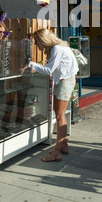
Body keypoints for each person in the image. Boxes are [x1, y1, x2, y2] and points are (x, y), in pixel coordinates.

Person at [21, 29, 78, 162]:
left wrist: (30, 64)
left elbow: (49, 70)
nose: (36, 45)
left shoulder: (57, 49)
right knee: (60, 114)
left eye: (37, 42)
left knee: (59, 115)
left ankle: (57, 152)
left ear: (43, 40)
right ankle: (64, 145)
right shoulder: (61, 46)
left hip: (65, 82)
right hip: (67, 80)